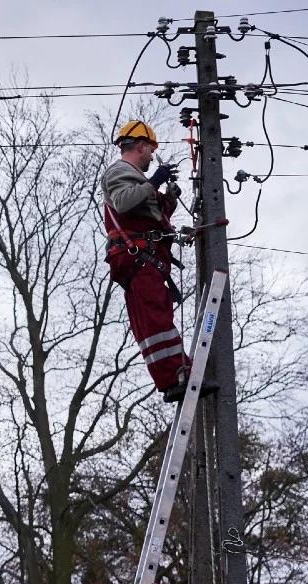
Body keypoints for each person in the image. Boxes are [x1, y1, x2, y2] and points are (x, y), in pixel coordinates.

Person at [101, 120, 215, 403]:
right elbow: (124, 203)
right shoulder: (119, 171)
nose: (153, 157)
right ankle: (175, 376)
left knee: (156, 318)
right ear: (141, 146)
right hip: (138, 257)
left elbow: (148, 213)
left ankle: (177, 374)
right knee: (155, 320)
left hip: (146, 258)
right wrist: (155, 181)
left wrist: (169, 198)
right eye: (151, 151)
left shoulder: (134, 177)